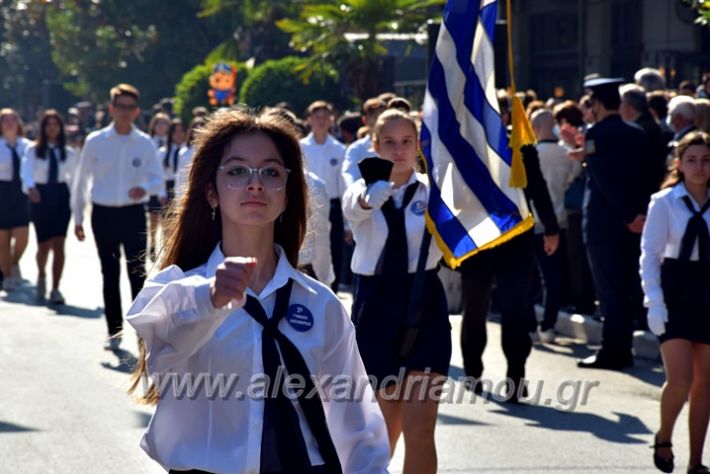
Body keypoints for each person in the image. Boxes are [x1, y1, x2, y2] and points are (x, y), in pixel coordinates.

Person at [126, 109, 390, 474]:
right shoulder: (177, 290)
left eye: (270, 172)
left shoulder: (320, 304)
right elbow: (162, 351)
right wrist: (210, 298)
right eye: (236, 171)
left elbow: (357, 422)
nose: (255, 183)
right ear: (211, 193)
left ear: (286, 194)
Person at [342, 109, 450, 473]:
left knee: (421, 428)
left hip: (424, 301)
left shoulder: (434, 191)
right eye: (389, 142)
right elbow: (353, 211)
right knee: (383, 428)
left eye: (407, 141)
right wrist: (372, 197)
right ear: (374, 145)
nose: (399, 150)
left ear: (418, 145)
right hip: (376, 304)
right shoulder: (362, 186)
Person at [71, 84, 164, 349]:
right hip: (103, 215)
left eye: (129, 108)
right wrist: (77, 219)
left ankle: (142, 333)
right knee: (109, 273)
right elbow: (80, 182)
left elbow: (158, 180)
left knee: (137, 273)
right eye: (120, 107)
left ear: (136, 111)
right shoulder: (96, 141)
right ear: (111, 109)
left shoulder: (144, 144)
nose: (124, 112)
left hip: (133, 214)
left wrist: (144, 189)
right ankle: (114, 331)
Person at [640, 131, 710, 474]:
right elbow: (649, 255)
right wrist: (654, 301)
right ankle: (664, 436)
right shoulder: (664, 202)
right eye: (692, 160)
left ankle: (696, 462)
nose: (699, 167)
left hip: (708, 291)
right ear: (679, 164)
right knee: (680, 380)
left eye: (706, 160)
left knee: (705, 384)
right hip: (675, 291)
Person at [570, 77, 650, 370]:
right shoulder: (637, 133)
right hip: (635, 223)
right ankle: (623, 348)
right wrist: (637, 215)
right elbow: (645, 178)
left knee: (609, 289)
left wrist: (627, 215)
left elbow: (604, 182)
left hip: (606, 224)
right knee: (627, 287)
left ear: (599, 104)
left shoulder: (597, 134)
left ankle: (611, 350)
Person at [530, 109, 581, 341]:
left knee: (528, 276)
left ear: (535, 128)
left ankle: (531, 325)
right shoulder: (566, 153)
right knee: (552, 277)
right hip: (558, 221)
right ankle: (547, 325)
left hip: (531, 223)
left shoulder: (529, 155)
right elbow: (573, 177)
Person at [21, 110, 76, 303]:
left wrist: (76, 205)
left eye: (56, 124)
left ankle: (56, 288)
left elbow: (74, 179)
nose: (52, 128)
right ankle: (42, 274)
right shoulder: (33, 150)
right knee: (43, 245)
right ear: (42, 128)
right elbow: (26, 172)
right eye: (48, 124)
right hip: (40, 197)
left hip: (61, 197)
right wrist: (30, 188)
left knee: (59, 243)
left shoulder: (68, 153)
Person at [299, 101, 346, 292]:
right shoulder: (301, 147)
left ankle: (331, 290)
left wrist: (347, 221)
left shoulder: (339, 149)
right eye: (317, 117)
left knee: (334, 249)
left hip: (333, 206)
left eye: (325, 117)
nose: (321, 121)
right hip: (307, 204)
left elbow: (342, 184)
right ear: (309, 120)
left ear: (331, 120)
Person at [0, 108, 32, 292]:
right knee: (2, 237)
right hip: (2, 191)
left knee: (22, 235)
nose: (10, 123)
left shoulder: (27, 145)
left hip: (20, 192)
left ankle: (13, 262)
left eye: (13, 119)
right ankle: (7, 276)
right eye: (6, 120)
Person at [153, 118, 186, 260]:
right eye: (175, 132)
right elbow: (159, 174)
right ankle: (167, 253)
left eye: (181, 132)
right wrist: (161, 193)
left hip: (183, 187)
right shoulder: (163, 152)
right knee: (167, 223)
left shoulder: (188, 151)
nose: (178, 135)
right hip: (168, 187)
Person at [342, 98, 387, 188]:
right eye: (373, 115)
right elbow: (351, 179)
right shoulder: (356, 149)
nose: (378, 119)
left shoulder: (397, 145)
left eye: (382, 115)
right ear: (364, 120)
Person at [146, 112, 171, 261]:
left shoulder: (170, 142)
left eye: (164, 123)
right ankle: (153, 243)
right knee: (154, 216)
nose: (161, 127)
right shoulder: (150, 142)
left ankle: (167, 246)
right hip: (154, 182)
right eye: (159, 123)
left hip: (168, 181)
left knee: (167, 218)